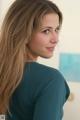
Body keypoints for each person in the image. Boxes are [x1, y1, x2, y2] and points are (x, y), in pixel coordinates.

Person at [0, 0, 70, 119]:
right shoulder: (51, 79)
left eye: (56, 29)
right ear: (23, 33)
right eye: (46, 31)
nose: (55, 39)